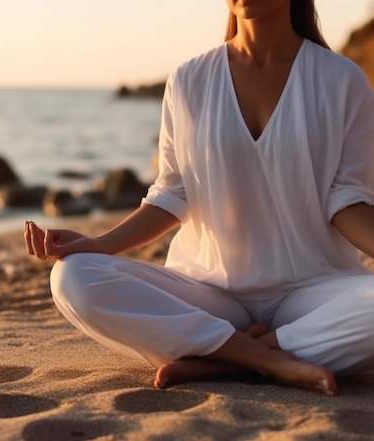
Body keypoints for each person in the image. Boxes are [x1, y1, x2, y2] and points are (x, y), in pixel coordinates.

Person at [24, 0, 374, 395]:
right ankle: (262, 357)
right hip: (208, 294)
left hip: (314, 294)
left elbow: (346, 201)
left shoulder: (341, 79)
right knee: (72, 277)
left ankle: (226, 356)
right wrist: (99, 244)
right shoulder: (190, 79)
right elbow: (172, 193)